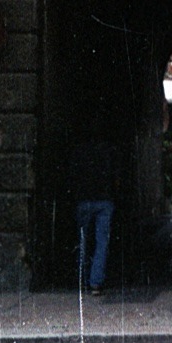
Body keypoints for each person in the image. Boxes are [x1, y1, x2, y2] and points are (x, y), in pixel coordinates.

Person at [69, 126, 118, 294]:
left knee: (82, 240)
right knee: (102, 242)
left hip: (83, 199)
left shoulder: (78, 151)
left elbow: (72, 175)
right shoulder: (108, 150)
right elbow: (115, 175)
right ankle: (95, 282)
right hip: (104, 199)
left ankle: (82, 279)